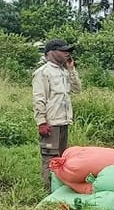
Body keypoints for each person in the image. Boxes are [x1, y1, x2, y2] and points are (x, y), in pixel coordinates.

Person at [32, 39, 82, 192]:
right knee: (50, 159)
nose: (67, 53)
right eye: (63, 50)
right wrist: (41, 122)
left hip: (64, 122)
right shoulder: (43, 72)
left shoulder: (64, 71)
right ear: (51, 52)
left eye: (68, 51)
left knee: (61, 158)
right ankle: (48, 191)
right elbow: (39, 99)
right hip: (50, 124)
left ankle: (59, 190)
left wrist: (71, 69)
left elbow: (77, 89)